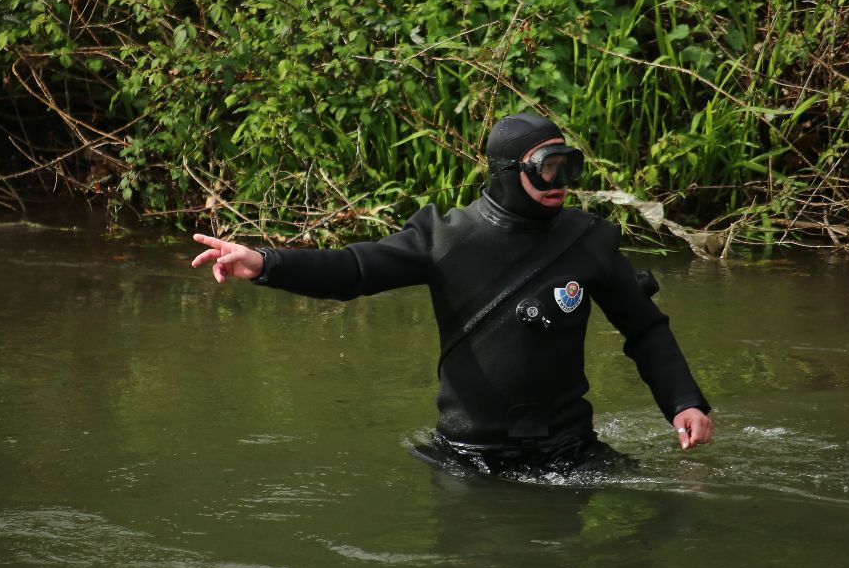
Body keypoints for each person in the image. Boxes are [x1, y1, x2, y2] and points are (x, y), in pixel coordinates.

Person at [190, 112, 712, 478]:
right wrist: (264, 263)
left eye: (567, 167)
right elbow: (352, 270)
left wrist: (683, 402)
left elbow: (644, 328)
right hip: (470, 454)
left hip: (568, 450)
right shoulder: (445, 236)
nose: (560, 182)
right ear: (509, 173)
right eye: (546, 168)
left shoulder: (588, 240)